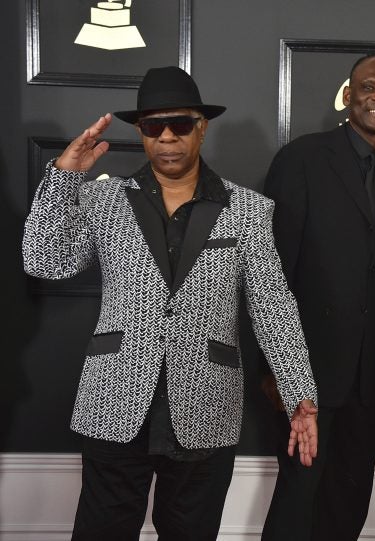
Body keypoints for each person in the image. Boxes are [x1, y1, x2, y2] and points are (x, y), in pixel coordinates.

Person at [22, 66, 319, 541]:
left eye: (179, 124)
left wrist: (299, 393)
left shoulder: (248, 209)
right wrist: (62, 179)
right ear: (139, 133)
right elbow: (44, 261)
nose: (166, 137)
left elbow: (273, 306)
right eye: (151, 126)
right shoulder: (104, 198)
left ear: (202, 127)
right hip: (114, 398)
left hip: (207, 403)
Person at [260, 53, 375, 540]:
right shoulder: (302, 159)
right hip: (306, 371)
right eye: (369, 87)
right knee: (298, 500)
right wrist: (276, 370)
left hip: (371, 382)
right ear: (349, 95)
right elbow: (272, 271)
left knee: (349, 502)